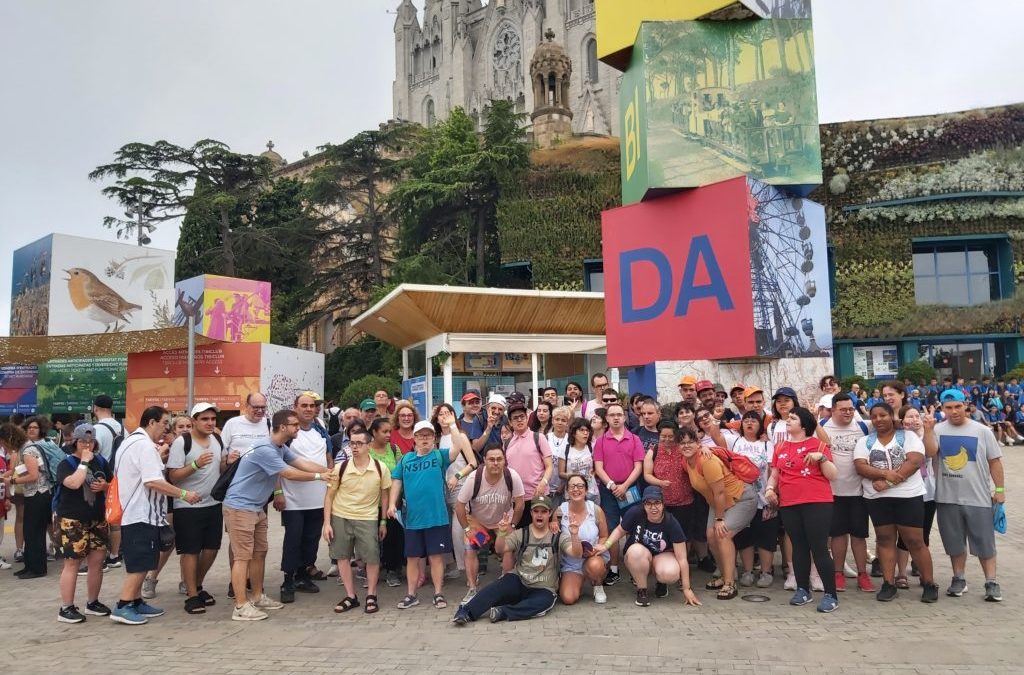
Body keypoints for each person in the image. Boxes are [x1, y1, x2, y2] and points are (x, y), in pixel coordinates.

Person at [223, 409, 333, 621]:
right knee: (242, 557)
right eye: (293, 425)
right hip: (240, 508)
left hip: (256, 507)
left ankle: (257, 596)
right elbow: (288, 473)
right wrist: (320, 476)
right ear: (282, 427)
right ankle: (240, 605)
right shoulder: (266, 449)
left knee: (259, 553)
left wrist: (331, 470)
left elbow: (301, 463)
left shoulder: (279, 447)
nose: (297, 428)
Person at [110, 406, 202, 625]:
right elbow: (151, 480)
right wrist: (184, 493)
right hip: (140, 513)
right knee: (141, 562)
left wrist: (158, 457)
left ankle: (136, 600)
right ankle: (123, 605)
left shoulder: (131, 442)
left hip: (139, 512)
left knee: (146, 559)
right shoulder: (143, 446)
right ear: (151, 422)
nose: (166, 429)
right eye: (164, 424)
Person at [922, 389, 1004, 602]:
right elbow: (930, 453)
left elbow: (995, 461)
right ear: (942, 408)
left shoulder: (982, 431)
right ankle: (959, 578)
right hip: (947, 497)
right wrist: (928, 431)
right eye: (948, 408)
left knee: (985, 542)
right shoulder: (937, 429)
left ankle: (991, 581)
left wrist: (1000, 491)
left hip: (978, 497)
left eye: (958, 406)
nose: (954, 411)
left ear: (965, 405)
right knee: (954, 543)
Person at [388, 413, 474, 610]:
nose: (424, 438)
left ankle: (438, 593)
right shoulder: (406, 459)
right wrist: (392, 503)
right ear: (415, 438)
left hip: (437, 517)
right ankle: (411, 595)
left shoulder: (439, 456)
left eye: (428, 435)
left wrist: (452, 425)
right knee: (412, 558)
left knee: (436, 557)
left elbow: (459, 445)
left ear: (433, 438)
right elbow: (396, 481)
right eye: (420, 435)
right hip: (413, 519)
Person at [854, 403, 938, 603]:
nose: (879, 419)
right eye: (874, 416)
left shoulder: (908, 437)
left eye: (883, 415)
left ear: (891, 416)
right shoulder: (865, 441)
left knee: (915, 541)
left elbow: (914, 462)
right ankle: (888, 583)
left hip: (908, 496)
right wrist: (884, 474)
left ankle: (929, 583)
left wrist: (888, 482)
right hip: (877, 498)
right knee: (884, 539)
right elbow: (860, 467)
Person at [451, 496, 581, 624]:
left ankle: (502, 612)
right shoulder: (522, 533)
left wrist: (574, 535)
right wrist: (502, 533)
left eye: (543, 511)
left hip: (544, 587)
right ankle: (466, 611)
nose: (539, 515)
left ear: (550, 513)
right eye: (536, 511)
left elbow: (576, 553)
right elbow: (500, 549)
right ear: (531, 513)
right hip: (519, 580)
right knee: (496, 588)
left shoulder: (557, 536)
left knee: (542, 603)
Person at [765, 407, 840, 613]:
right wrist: (771, 488)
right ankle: (802, 589)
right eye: (788, 418)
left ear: (804, 425)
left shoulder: (819, 445)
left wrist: (822, 458)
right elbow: (775, 474)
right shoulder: (780, 447)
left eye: (793, 418)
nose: (788, 420)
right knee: (798, 546)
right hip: (789, 503)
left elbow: (833, 475)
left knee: (819, 548)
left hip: (817, 502)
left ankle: (830, 594)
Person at [680, 426, 757, 600]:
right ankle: (725, 575)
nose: (686, 446)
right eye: (682, 443)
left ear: (698, 443)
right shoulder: (686, 462)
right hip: (718, 502)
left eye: (690, 442)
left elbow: (720, 492)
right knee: (710, 535)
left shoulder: (707, 460)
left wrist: (720, 519)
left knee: (723, 534)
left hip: (741, 498)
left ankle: (730, 583)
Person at [593, 486, 701, 608]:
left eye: (657, 503)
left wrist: (687, 589)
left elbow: (682, 558)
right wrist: (606, 545)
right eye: (648, 503)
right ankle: (642, 590)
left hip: (662, 555)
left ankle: (661, 582)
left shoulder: (671, 522)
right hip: (640, 555)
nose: (653, 507)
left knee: (670, 573)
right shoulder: (635, 513)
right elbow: (619, 530)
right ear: (643, 505)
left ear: (663, 504)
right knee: (635, 551)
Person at [322, 428, 391, 614]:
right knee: (342, 556)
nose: (355, 447)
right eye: (352, 443)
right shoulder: (341, 467)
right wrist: (326, 523)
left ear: (369, 445)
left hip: (368, 518)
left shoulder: (379, 468)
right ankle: (351, 596)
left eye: (360, 443)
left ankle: (371, 595)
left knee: (372, 556)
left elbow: (385, 495)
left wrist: (383, 521)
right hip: (341, 516)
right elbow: (329, 496)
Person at [167, 402, 227, 615]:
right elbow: (173, 476)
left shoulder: (218, 440)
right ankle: (192, 595)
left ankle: (197, 585)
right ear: (194, 421)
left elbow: (220, 469)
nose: (210, 423)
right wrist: (195, 465)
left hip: (213, 503)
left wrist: (229, 462)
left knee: (211, 549)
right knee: (190, 551)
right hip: (187, 505)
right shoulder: (182, 442)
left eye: (212, 419)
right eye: (205, 419)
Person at [275, 393, 333, 603]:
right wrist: (278, 492)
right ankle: (287, 580)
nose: (309, 409)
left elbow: (328, 458)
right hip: (293, 500)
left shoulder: (320, 429)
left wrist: (331, 481)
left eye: (312, 405)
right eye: (304, 405)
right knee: (293, 539)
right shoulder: (288, 432)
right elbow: (276, 465)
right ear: (295, 407)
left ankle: (303, 574)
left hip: (318, 497)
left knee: (311, 539)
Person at [53, 424, 112, 623]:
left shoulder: (102, 461)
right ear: (75, 442)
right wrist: (84, 463)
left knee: (97, 561)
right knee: (73, 563)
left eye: (90, 441)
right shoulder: (67, 463)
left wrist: (105, 486)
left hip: (97, 517)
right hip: (73, 519)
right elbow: (73, 483)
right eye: (83, 441)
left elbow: (113, 484)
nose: (87, 445)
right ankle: (66, 607)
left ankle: (92, 602)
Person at [455, 444, 526, 604]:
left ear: (504, 461)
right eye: (491, 459)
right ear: (484, 461)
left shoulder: (512, 476)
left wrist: (512, 526)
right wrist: (467, 529)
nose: (495, 463)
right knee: (470, 547)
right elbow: (459, 505)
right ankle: (472, 588)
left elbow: (520, 504)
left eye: (499, 459)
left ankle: (506, 584)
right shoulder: (474, 478)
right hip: (479, 524)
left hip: (501, 523)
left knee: (508, 548)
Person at [822, 393, 875, 593]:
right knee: (837, 535)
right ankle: (838, 574)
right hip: (832, 492)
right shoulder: (823, 428)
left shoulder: (863, 427)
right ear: (833, 410)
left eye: (851, 409)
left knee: (859, 536)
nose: (848, 412)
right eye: (843, 409)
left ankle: (863, 575)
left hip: (859, 492)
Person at [593, 401, 645, 586]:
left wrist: (624, 486)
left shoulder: (634, 439)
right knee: (611, 528)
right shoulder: (600, 441)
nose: (616, 417)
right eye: (612, 415)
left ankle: (634, 567)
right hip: (608, 490)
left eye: (619, 414)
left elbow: (639, 466)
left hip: (630, 489)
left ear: (624, 417)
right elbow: (598, 467)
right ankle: (614, 569)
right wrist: (612, 485)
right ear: (606, 419)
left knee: (634, 527)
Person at [143, 414, 192, 599]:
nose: (185, 429)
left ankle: (185, 580)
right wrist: (162, 460)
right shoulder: (164, 448)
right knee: (169, 541)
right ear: (173, 430)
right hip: (169, 499)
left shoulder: (195, 445)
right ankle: (151, 577)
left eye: (188, 425)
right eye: (181, 426)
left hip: (190, 498)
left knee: (188, 542)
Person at [730, 412, 779, 588]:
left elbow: (774, 469)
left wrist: (772, 490)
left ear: (760, 425)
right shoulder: (735, 442)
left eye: (754, 421)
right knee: (745, 536)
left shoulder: (767, 444)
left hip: (764, 498)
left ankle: (766, 572)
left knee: (766, 536)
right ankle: (748, 571)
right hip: (741, 499)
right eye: (746, 421)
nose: (749, 424)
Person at [2, 422, 50, 579]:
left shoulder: (28, 450)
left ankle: (37, 568)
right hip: (33, 495)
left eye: (3, 442)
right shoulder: (25, 448)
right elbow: (20, 470)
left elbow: (33, 475)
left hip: (38, 494)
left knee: (34, 532)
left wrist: (12, 482)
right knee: (29, 531)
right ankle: (30, 565)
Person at [556, 473, 609, 604]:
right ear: (567, 491)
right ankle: (577, 581)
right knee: (568, 598)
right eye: (572, 486)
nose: (576, 489)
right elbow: (554, 536)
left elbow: (604, 536)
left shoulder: (596, 510)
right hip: (571, 562)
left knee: (595, 566)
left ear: (586, 490)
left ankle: (597, 584)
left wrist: (597, 549)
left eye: (580, 486)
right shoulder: (559, 511)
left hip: (593, 557)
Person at [367, 417, 403, 588]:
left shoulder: (394, 449)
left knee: (392, 537)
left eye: (390, 431)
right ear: (374, 432)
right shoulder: (366, 451)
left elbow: (400, 472)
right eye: (384, 431)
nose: (389, 435)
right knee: (370, 538)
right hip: (370, 502)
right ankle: (371, 570)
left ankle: (392, 570)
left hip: (392, 502)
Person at [505, 402, 554, 526]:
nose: (520, 420)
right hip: (517, 499)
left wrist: (543, 483)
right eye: (515, 418)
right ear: (510, 422)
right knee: (520, 537)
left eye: (522, 416)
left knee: (542, 536)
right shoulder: (507, 443)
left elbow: (549, 466)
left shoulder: (539, 437)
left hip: (538, 496)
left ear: (527, 418)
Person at [92, 394, 124, 568]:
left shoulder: (97, 430)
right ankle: (115, 555)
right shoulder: (123, 427)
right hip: (118, 479)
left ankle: (100, 558)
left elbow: (92, 455)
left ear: (95, 408)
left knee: (101, 520)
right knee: (115, 518)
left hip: (101, 478)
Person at [558, 417, 598, 501]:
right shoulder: (565, 449)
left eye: (587, 430)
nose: (585, 433)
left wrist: (591, 475)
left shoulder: (592, 447)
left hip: (591, 492)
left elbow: (597, 468)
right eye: (582, 430)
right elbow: (561, 473)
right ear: (573, 433)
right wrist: (572, 475)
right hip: (572, 492)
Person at [545, 406, 571, 502]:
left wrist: (562, 485)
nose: (560, 422)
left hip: (564, 489)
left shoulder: (571, 440)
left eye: (563, 420)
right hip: (546, 486)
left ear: (567, 423)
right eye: (557, 419)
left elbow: (571, 466)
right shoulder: (546, 438)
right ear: (552, 421)